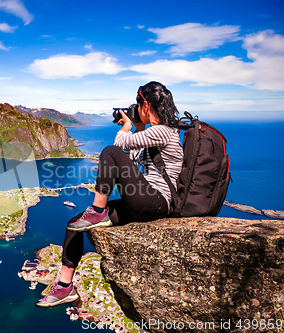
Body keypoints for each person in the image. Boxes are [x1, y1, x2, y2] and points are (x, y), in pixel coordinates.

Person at [36, 81, 184, 307]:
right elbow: (131, 161)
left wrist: (126, 127)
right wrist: (138, 126)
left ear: (145, 104)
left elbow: (119, 144)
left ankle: (98, 210)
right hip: (145, 200)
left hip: (157, 202)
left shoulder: (164, 131)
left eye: (137, 104)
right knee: (75, 223)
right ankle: (65, 287)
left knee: (109, 151)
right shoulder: (154, 134)